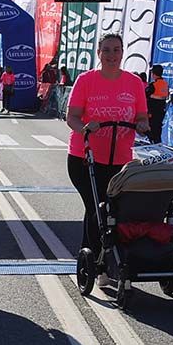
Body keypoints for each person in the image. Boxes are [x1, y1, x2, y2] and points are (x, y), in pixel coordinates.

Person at [66, 33, 150, 286]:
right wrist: (85, 128)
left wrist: (143, 124)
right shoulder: (86, 80)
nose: (111, 55)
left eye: (116, 50)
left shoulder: (134, 83)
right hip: (86, 158)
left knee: (114, 212)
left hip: (120, 160)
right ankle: (95, 264)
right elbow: (72, 117)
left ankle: (106, 259)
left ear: (123, 52)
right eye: (106, 50)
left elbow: (141, 116)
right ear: (98, 53)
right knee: (96, 209)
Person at [146, 64, 170, 143]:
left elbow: (145, 95)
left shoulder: (153, 85)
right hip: (161, 110)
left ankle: (152, 142)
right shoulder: (165, 84)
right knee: (158, 128)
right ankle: (157, 143)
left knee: (151, 128)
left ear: (153, 74)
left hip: (152, 111)